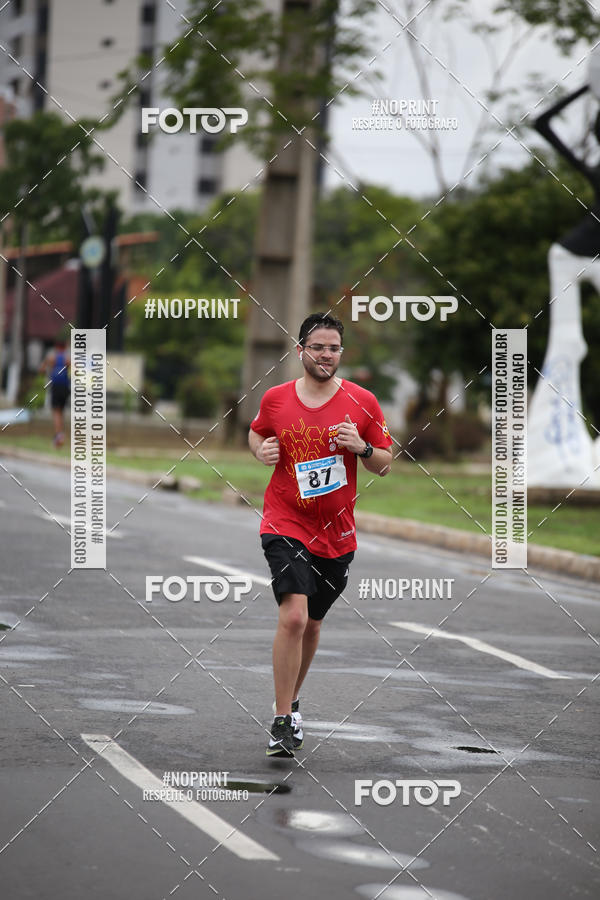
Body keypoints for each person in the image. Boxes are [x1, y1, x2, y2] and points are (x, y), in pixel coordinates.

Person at [249, 312, 393, 758]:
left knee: (312, 622)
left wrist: (362, 448)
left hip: (336, 533)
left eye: (333, 348)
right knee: (292, 616)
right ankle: (280, 718)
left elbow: (385, 461)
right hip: (284, 521)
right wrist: (262, 450)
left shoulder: (362, 401)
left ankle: (291, 702)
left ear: (340, 353)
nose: (326, 355)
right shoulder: (276, 398)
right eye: (318, 347)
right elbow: (256, 435)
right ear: (301, 352)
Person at [40, 337, 70, 447]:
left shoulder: (51, 357)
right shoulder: (68, 358)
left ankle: (58, 435)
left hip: (55, 386)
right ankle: (60, 434)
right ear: (65, 346)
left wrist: (49, 371)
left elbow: (41, 370)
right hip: (65, 387)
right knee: (61, 411)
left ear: (57, 346)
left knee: (56, 411)